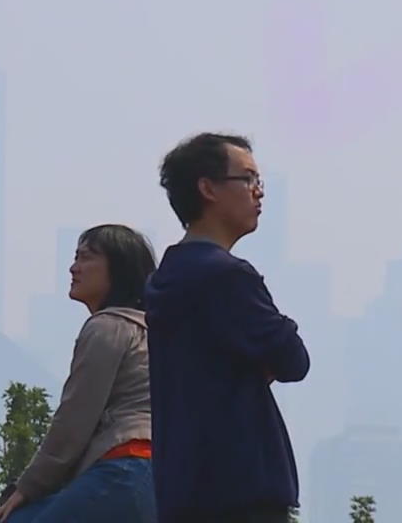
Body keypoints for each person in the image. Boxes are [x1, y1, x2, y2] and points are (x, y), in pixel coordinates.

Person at [144, 133, 311, 523]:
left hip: (183, 489)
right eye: (248, 179)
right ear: (208, 188)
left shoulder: (165, 277)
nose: (258, 193)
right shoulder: (227, 277)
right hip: (242, 489)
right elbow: (293, 360)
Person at [0, 224, 158, 523]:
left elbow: (74, 421)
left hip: (122, 470)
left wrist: (26, 488)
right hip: (159, 480)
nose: (73, 268)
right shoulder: (153, 332)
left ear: (118, 269)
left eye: (85, 258)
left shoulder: (107, 327)